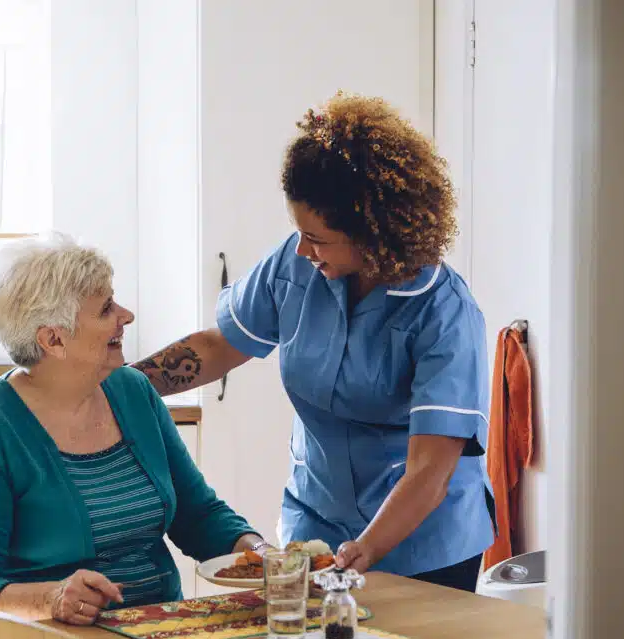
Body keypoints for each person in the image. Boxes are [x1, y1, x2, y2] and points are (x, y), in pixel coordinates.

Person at [133, 92, 495, 592]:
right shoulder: (296, 263)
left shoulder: (445, 312)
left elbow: (430, 471)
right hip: (317, 524)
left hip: (422, 545)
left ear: (374, 233)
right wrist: (120, 386)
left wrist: (365, 550)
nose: (303, 249)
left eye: (319, 238)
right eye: (298, 232)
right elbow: (219, 346)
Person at [0, 236, 265, 629]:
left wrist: (256, 551)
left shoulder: (132, 391)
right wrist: (53, 598)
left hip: (156, 633)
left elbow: (197, 515)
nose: (125, 316)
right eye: (106, 308)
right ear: (53, 339)